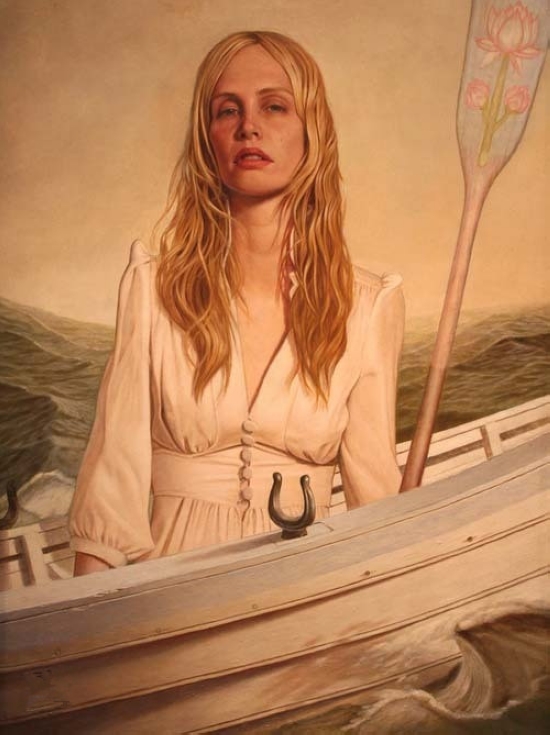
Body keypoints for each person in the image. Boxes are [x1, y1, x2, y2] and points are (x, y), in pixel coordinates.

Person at [70, 30, 405, 576]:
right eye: (228, 110)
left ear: (312, 130)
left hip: (310, 584)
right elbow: (111, 492)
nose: (249, 126)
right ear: (207, 139)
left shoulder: (367, 305)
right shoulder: (153, 290)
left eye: (274, 106)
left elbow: (376, 503)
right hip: (171, 588)